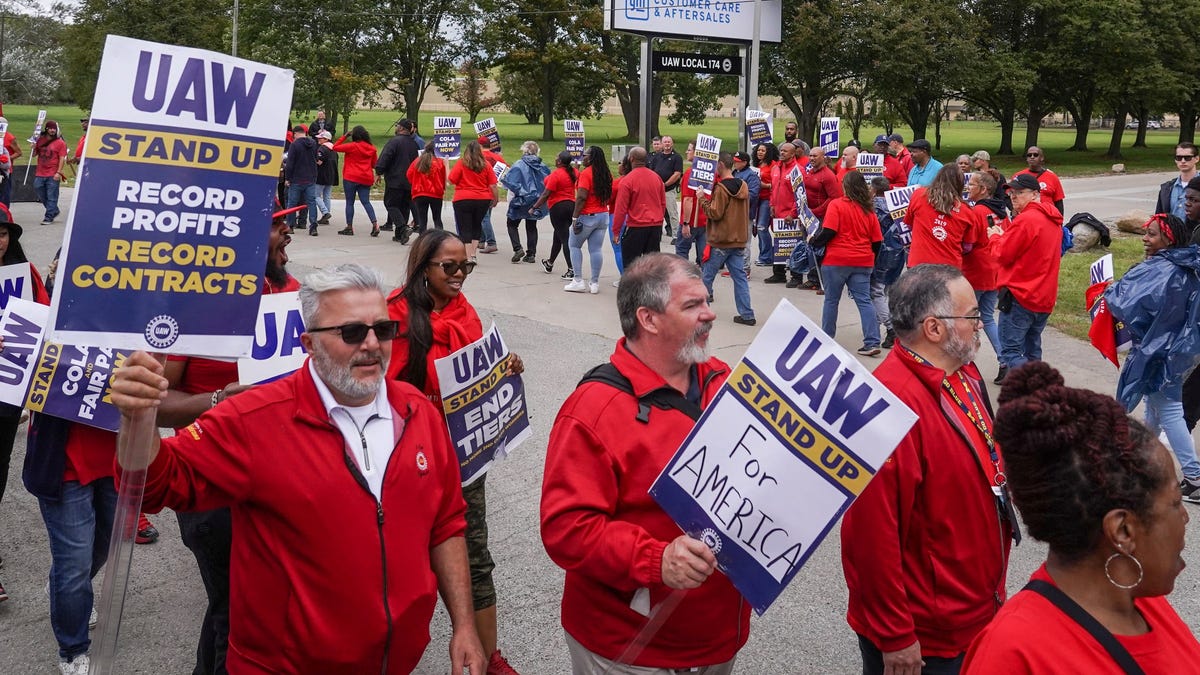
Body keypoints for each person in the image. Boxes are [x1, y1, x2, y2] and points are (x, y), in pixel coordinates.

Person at [110, 263, 486, 674]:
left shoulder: (419, 413)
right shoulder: (253, 418)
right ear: (310, 343)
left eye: (384, 329)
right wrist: (138, 418)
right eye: (352, 332)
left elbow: (447, 524)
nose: (373, 345)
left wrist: (464, 625)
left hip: (394, 662)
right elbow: (155, 485)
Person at [541, 252, 751, 674]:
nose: (710, 314)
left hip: (716, 637)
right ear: (649, 319)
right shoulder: (593, 411)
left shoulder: (723, 380)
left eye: (707, 301)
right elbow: (566, 529)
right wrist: (656, 560)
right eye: (692, 306)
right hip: (629, 650)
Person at [963, 362, 1200, 673]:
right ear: (1122, 530)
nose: (1185, 518)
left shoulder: (1142, 601)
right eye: (1173, 504)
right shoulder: (1013, 656)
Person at [842, 263, 1014, 675]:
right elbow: (870, 540)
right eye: (972, 315)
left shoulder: (963, 371)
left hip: (972, 609)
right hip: (928, 633)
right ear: (934, 328)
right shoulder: (889, 407)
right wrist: (895, 636)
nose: (980, 324)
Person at [154, 203, 301, 675]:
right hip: (213, 485)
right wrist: (218, 399)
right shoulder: (198, 303)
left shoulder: (293, 293)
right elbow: (157, 403)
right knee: (234, 612)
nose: (289, 236)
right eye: (280, 227)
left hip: (279, 479)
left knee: (249, 605)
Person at [385, 231, 525, 675]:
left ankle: (487, 656)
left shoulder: (466, 313)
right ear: (422, 268)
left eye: (466, 266)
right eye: (449, 267)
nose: (461, 274)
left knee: (475, 559)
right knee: (399, 562)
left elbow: (476, 374)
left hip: (462, 462)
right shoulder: (394, 316)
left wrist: (506, 369)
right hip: (406, 463)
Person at [1104, 214, 1200, 502]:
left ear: (1169, 239)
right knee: (1155, 407)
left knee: (1168, 409)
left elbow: (1132, 306)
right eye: (1145, 232)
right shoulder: (1184, 266)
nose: (1145, 238)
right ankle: (1143, 460)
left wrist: (1109, 292)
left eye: (1153, 234)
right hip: (1175, 351)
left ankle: (1194, 476)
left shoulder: (1165, 271)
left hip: (1159, 352)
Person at [0, 206, 49, 602]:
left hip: (7, 398)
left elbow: (46, 323)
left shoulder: (25, 274)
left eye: (3, 233)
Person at [991, 173, 1063, 384]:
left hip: (1021, 294)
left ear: (1035, 194)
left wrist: (994, 236)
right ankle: (1035, 393)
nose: (1013, 197)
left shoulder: (1027, 219)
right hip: (1043, 295)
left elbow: (1002, 254)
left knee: (1010, 351)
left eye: (1019, 193)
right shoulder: (1053, 218)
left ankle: (1041, 385)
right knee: (1032, 349)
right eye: (1011, 193)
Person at [813, 171, 882, 355]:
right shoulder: (869, 210)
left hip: (837, 259)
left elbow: (829, 231)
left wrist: (814, 241)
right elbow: (877, 242)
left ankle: (827, 338)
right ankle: (873, 341)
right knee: (864, 301)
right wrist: (871, 259)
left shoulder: (836, 205)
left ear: (846, 186)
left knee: (831, 300)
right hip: (863, 260)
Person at [701, 151, 755, 326]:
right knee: (739, 278)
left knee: (706, 278)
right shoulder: (743, 185)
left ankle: (702, 313)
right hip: (738, 240)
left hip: (720, 241)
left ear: (720, 165)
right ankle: (747, 314)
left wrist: (702, 200)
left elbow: (715, 213)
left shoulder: (721, 188)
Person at [964, 171, 1005, 365]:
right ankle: (1005, 360)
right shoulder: (999, 210)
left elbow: (968, 243)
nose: (967, 187)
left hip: (976, 270)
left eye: (971, 184)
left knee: (965, 317)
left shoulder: (977, 212)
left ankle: (963, 360)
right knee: (987, 317)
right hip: (994, 269)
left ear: (983, 189)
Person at [906, 164, 978, 270]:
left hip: (918, 265)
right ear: (960, 184)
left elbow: (909, 225)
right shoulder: (967, 211)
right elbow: (967, 247)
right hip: (949, 269)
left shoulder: (919, 195)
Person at [610, 146, 667, 269]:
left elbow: (621, 209)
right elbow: (662, 203)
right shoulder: (656, 178)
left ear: (631, 159)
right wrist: (659, 220)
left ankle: (634, 288)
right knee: (652, 266)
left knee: (631, 265)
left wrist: (616, 231)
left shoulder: (627, 180)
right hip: (654, 226)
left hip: (636, 226)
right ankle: (651, 287)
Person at [566, 145, 612, 294]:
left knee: (574, 245)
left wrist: (575, 217)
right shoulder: (606, 173)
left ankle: (578, 280)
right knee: (596, 249)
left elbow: (581, 197)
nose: (582, 157)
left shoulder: (586, 174)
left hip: (587, 215)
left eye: (585, 155)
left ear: (591, 157)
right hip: (603, 215)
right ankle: (594, 282)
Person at [868, 177, 906, 349]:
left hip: (880, 252)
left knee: (875, 292)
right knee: (885, 292)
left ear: (874, 190)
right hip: (897, 252)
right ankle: (874, 328)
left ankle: (891, 328)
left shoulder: (873, 207)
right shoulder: (898, 206)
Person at [500, 140, 550, 264]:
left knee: (512, 224)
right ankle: (531, 253)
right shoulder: (542, 166)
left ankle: (517, 248)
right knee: (532, 226)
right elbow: (548, 182)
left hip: (520, 199)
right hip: (536, 200)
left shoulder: (518, 164)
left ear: (524, 150)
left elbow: (511, 183)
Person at [449, 141, 499, 261]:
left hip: (463, 198)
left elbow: (452, 179)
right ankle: (473, 254)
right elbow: (493, 185)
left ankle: (467, 255)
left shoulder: (461, 163)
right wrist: (495, 199)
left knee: (464, 226)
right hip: (482, 199)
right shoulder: (486, 165)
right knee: (476, 225)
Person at [530, 151, 578, 279]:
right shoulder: (573, 172)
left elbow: (546, 194)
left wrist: (535, 207)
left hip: (558, 207)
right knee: (558, 236)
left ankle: (572, 269)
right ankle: (550, 263)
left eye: (557, 158)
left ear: (560, 162)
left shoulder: (556, 174)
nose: (555, 159)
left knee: (565, 238)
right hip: (571, 205)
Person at [375, 118, 420, 241]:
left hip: (395, 179)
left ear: (401, 128)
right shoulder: (414, 144)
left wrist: (379, 171)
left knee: (391, 204)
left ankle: (402, 227)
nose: (396, 128)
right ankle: (400, 235)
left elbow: (386, 157)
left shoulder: (394, 142)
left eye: (397, 126)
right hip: (410, 180)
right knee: (404, 206)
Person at [332, 125, 380, 236]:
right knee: (366, 202)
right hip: (366, 177)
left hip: (351, 177)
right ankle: (375, 224)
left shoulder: (352, 146)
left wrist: (344, 136)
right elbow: (374, 164)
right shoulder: (372, 148)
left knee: (350, 202)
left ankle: (349, 227)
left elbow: (335, 147)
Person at [764, 142, 801, 284]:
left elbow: (800, 194)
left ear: (793, 154)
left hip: (791, 215)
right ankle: (778, 274)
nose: (782, 153)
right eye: (781, 150)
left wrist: (793, 213)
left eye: (786, 151)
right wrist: (772, 205)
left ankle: (796, 276)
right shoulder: (776, 168)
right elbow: (773, 189)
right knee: (779, 244)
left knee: (794, 245)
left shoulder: (797, 170)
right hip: (777, 213)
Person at [283, 125, 320, 236]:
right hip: (310, 177)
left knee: (292, 203)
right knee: (311, 202)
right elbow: (316, 159)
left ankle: (290, 225)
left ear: (295, 134)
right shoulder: (313, 143)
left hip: (297, 179)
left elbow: (290, 164)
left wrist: (287, 178)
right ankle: (313, 227)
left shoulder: (294, 145)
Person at [675, 141, 707, 266]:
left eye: (689, 150)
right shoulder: (711, 173)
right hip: (705, 219)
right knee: (704, 254)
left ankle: (683, 279)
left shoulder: (690, 173)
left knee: (682, 251)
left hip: (692, 220)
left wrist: (686, 223)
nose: (686, 152)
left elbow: (688, 199)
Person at [1011, 146, 1066, 216]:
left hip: (1048, 216)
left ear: (1042, 158)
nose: (1032, 157)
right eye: (1029, 155)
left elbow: (1058, 202)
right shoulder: (1018, 176)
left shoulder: (1052, 177)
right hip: (1025, 217)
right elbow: (1009, 196)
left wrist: (1059, 222)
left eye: (1035, 155)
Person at [731, 150, 761, 274]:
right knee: (733, 241)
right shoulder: (735, 172)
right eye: (734, 161)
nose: (735, 164)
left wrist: (735, 196)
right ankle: (736, 267)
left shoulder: (751, 175)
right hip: (733, 213)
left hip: (745, 213)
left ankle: (745, 268)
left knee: (744, 242)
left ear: (745, 162)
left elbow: (753, 194)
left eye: (737, 162)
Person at [33, 120, 67, 225]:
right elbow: (34, 154)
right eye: (51, 128)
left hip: (53, 172)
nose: (53, 130)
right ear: (46, 129)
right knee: (38, 188)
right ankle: (54, 210)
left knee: (52, 195)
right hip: (40, 171)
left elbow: (62, 158)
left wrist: (58, 172)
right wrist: (33, 148)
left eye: (54, 129)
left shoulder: (60, 143)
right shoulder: (40, 140)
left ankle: (48, 216)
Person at [408, 143, 447, 234]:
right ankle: (440, 239)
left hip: (420, 193)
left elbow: (409, 174)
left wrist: (415, 183)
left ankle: (422, 240)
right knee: (437, 218)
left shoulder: (417, 161)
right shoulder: (440, 162)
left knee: (422, 219)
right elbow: (444, 177)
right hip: (436, 193)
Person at [648, 136, 683, 237]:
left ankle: (676, 235)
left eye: (669, 142)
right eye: (665, 142)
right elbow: (652, 171)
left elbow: (677, 174)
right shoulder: (656, 157)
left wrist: (665, 184)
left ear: (672, 144)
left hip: (669, 190)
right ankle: (656, 234)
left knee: (672, 214)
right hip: (656, 190)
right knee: (656, 213)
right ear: (662, 144)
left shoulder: (677, 157)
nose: (667, 144)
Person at [751, 142, 778, 265]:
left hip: (767, 199)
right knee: (758, 228)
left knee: (762, 227)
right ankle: (764, 254)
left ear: (768, 152)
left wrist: (765, 185)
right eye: (758, 150)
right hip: (756, 199)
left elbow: (777, 184)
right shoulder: (756, 165)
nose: (760, 152)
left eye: (763, 150)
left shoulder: (774, 165)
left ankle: (766, 257)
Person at [476, 136, 504, 254]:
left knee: (484, 218)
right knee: (485, 218)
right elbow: (505, 170)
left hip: (482, 190)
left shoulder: (477, 158)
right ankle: (481, 241)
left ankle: (491, 242)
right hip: (493, 190)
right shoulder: (497, 157)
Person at [1156, 142, 1198, 221]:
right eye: (1179, 157)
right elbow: (1159, 217)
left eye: (1187, 157)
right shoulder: (1167, 188)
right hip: (1171, 233)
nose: (1183, 161)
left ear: (1196, 159)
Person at [314, 130, 338, 226]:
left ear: (326, 139)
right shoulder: (334, 149)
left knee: (315, 195)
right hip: (331, 175)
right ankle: (325, 217)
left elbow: (319, 162)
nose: (318, 139)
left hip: (322, 175)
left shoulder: (322, 149)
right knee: (327, 196)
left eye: (320, 138)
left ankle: (325, 212)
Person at [0, 115, 22, 206]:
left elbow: (19, 152)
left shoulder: (10, 138)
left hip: (5, 170)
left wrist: (7, 159)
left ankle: (4, 212)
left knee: (5, 193)